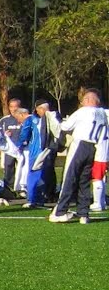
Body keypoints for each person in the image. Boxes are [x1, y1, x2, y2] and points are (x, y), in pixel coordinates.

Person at [50, 89, 106, 225]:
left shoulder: (82, 111)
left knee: (69, 178)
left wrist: (53, 119)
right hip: (93, 147)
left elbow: (65, 126)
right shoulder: (102, 114)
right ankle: (83, 213)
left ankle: (60, 211)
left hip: (79, 145)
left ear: (87, 100)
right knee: (84, 181)